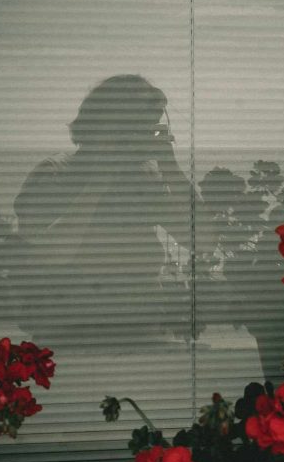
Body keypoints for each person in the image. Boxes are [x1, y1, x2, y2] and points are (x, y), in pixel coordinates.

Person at [14, 75, 194, 351]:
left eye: (150, 128)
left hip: (142, 330)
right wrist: (100, 180)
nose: (142, 138)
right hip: (67, 336)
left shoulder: (143, 177)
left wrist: (170, 167)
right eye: (135, 128)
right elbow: (46, 255)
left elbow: (201, 240)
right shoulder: (54, 173)